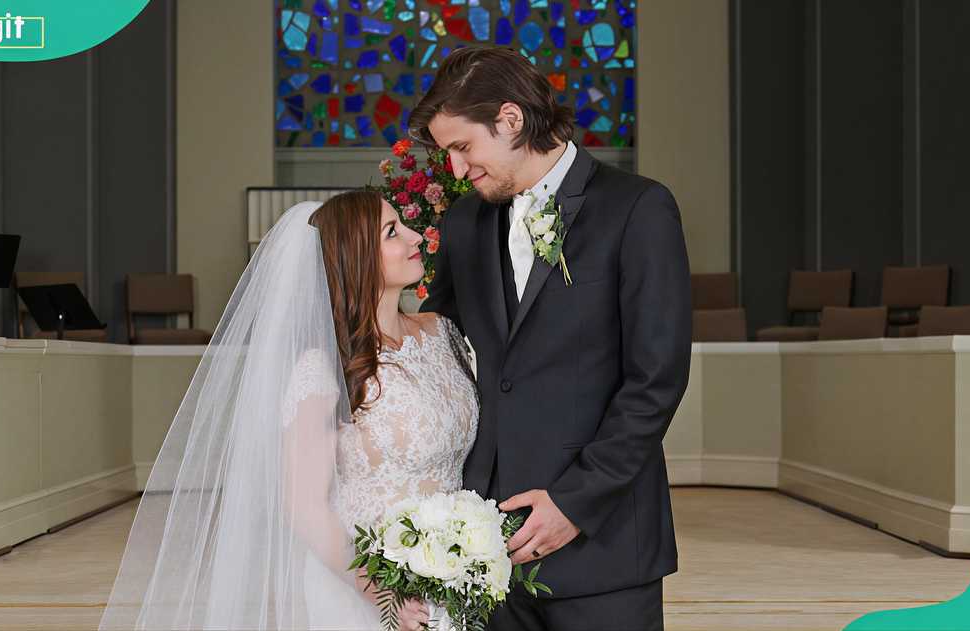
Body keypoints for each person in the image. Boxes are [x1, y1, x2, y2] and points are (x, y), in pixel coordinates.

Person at [99, 191, 478, 631]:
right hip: (366, 588)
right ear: (355, 258)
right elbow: (303, 506)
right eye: (392, 232)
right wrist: (384, 594)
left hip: (454, 576)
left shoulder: (443, 334)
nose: (415, 238)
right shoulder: (323, 369)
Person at [411, 46, 693, 631]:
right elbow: (436, 353)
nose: (456, 170)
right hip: (483, 549)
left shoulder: (638, 208)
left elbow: (656, 379)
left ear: (511, 120)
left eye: (463, 147)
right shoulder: (463, 222)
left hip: (604, 544)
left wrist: (575, 503)